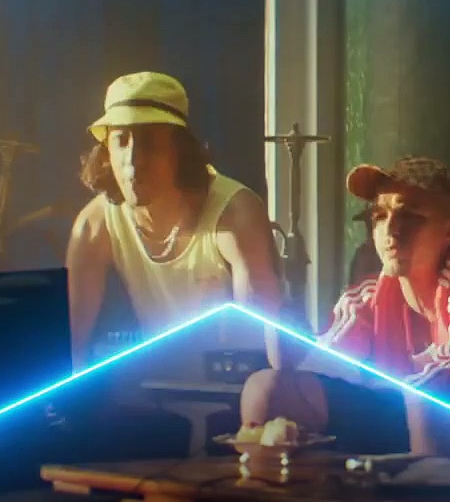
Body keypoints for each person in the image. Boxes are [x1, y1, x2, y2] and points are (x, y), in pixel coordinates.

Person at [57, 71, 287, 459]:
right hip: (151, 399)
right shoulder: (94, 223)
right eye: (121, 140)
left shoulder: (236, 213)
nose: (133, 159)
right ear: (106, 151)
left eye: (149, 141)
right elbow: (70, 348)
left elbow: (267, 343)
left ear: (180, 149)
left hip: (239, 406)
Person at [238, 156, 450, 457]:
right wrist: (283, 328)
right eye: (379, 216)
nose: (392, 230)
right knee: (267, 389)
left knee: (427, 403)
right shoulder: (368, 295)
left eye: (410, 216)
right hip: (400, 417)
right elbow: (324, 367)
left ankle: (426, 483)